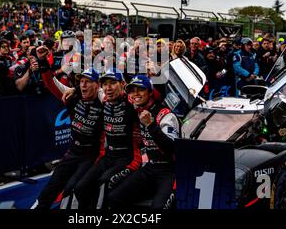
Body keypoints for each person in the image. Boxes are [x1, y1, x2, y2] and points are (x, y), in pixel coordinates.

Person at [32, 46, 105, 210]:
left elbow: (111, 94)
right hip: (74, 151)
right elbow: (51, 83)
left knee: (73, 187)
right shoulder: (73, 96)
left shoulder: (103, 100)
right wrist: (43, 61)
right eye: (81, 82)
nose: (83, 85)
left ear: (97, 84)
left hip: (92, 156)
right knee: (52, 185)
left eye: (88, 82)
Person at [73, 69, 142, 209]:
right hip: (108, 156)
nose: (108, 88)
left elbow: (151, 102)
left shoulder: (132, 102)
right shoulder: (102, 98)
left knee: (103, 182)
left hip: (128, 158)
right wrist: (74, 89)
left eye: (112, 83)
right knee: (80, 187)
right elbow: (87, 88)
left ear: (122, 84)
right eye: (105, 84)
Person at [108, 75, 179, 209]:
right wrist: (76, 90)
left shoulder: (165, 114)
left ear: (150, 92)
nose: (135, 94)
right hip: (150, 167)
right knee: (113, 198)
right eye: (132, 90)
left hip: (169, 170)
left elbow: (171, 149)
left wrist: (151, 125)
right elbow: (110, 93)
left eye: (140, 89)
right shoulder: (137, 108)